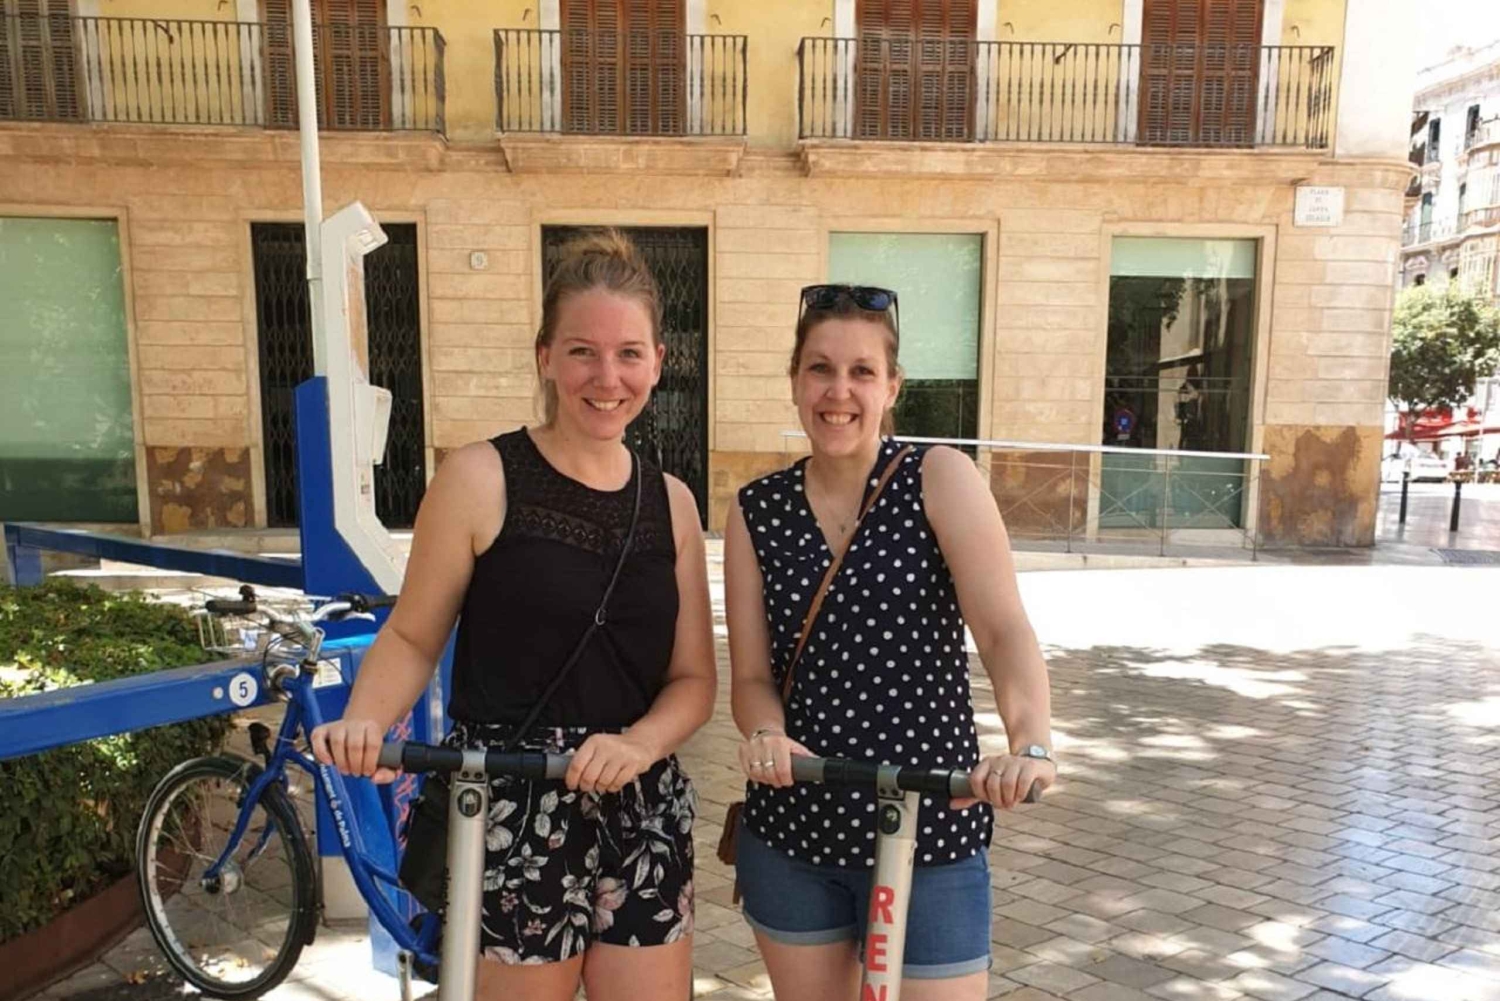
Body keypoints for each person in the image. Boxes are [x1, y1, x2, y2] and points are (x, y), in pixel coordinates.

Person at [310, 230, 716, 1001]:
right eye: (582, 351)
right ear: (545, 357)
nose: (607, 377)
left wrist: (639, 743)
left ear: (658, 362)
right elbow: (412, 634)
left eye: (629, 354)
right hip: (506, 803)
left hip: (641, 805)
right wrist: (367, 718)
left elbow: (694, 679)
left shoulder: (673, 504)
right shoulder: (479, 476)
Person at [724, 283, 1056, 1001]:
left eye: (862, 371)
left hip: (930, 823)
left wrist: (1029, 743)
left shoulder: (938, 476)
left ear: (892, 386)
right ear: (794, 380)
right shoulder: (757, 510)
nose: (838, 391)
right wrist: (766, 733)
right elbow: (751, 675)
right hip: (797, 829)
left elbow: (1003, 630)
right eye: (820, 368)